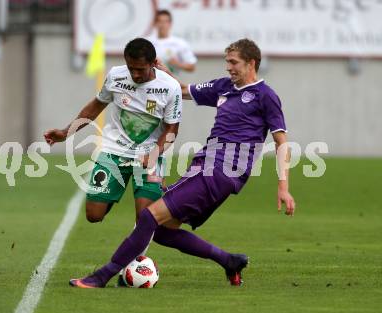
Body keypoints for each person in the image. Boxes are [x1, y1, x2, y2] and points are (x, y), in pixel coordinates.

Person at [68, 38, 296, 289]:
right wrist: (164, 72)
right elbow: (184, 90)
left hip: (218, 170)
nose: (228, 67)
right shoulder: (224, 87)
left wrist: (283, 186)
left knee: (149, 216)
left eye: (234, 62)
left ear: (251, 63)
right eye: (227, 62)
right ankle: (229, 260)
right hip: (206, 167)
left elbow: (281, 141)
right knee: (164, 231)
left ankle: (102, 276)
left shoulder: (266, 96)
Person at [44, 38, 182, 255]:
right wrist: (65, 132)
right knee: (93, 215)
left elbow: (172, 129)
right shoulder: (116, 76)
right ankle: (117, 194)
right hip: (113, 152)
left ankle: (134, 264)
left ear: (154, 63)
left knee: (145, 218)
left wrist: (155, 153)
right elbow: (95, 106)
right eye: (131, 68)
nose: (135, 74)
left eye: (140, 69)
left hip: (149, 156)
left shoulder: (170, 87)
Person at [148, 9, 197, 74]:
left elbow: (192, 67)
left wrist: (178, 64)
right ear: (155, 23)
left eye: (166, 21)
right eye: (160, 21)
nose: (163, 25)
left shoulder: (180, 43)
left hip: (173, 82)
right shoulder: (148, 42)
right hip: (153, 82)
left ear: (170, 24)